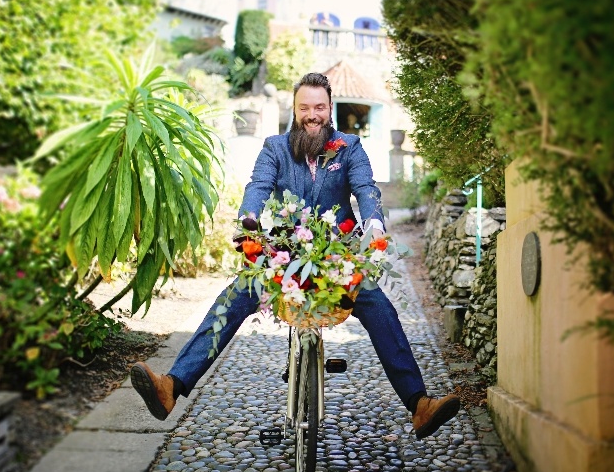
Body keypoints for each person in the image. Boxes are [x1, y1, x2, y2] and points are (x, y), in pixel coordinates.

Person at [130, 72, 460, 439]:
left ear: (329, 109)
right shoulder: (275, 147)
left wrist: (375, 226)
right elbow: (257, 186)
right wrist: (249, 223)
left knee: (379, 305)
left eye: (319, 107)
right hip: (285, 252)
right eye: (305, 107)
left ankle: (418, 405)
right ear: (295, 109)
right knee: (236, 294)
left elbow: (366, 189)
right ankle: (171, 387)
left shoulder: (349, 146)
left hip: (339, 256)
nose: (312, 114)